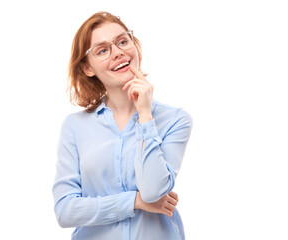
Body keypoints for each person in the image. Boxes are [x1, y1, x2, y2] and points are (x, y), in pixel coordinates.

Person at [52, 11, 193, 240]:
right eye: (102, 50)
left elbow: (154, 190)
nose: (118, 52)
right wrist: (134, 202)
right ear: (88, 68)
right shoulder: (74, 127)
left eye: (122, 41)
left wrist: (145, 114)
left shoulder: (175, 120)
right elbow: (65, 211)